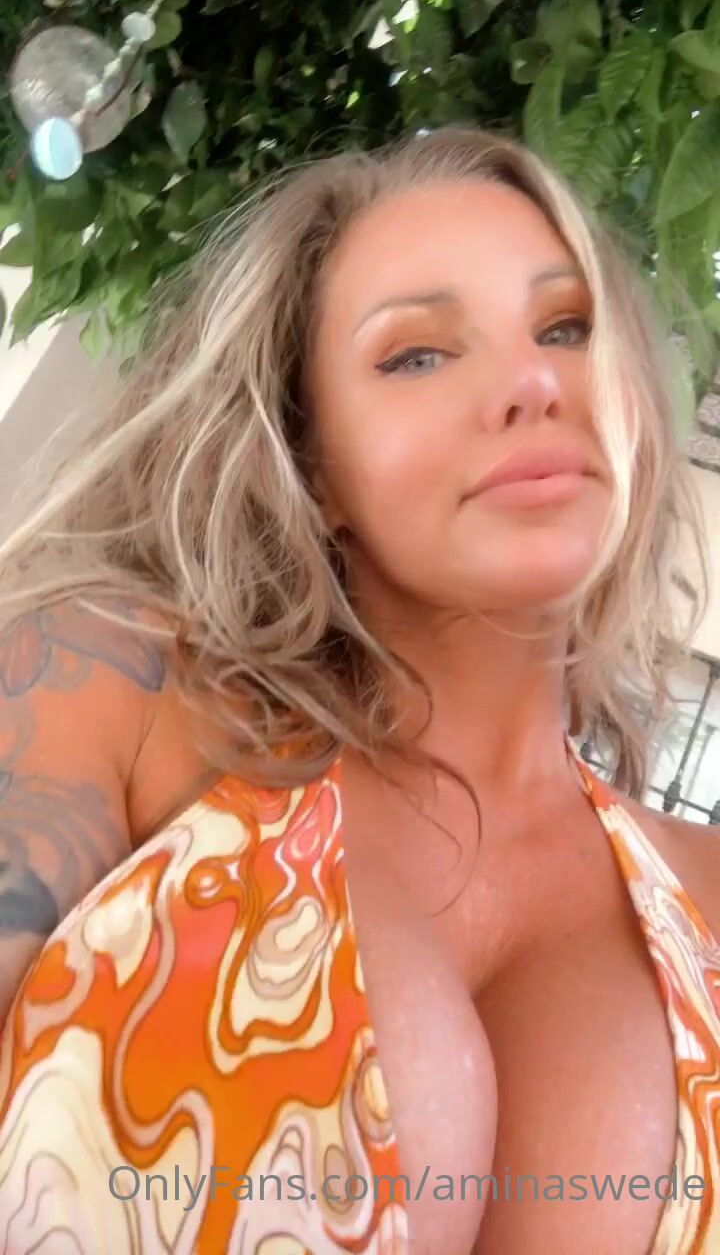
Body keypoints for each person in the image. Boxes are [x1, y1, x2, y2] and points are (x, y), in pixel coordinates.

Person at [0, 124, 717, 1255]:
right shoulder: (104, 685)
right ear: (312, 463)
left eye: (567, 328)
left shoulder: (708, 894)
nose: (532, 382)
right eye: (416, 355)